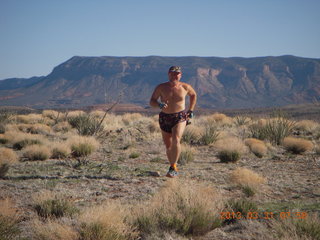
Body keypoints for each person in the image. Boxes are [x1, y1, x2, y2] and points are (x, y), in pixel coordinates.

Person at [149, 66, 197, 177]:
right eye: (172, 73)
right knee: (168, 146)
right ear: (168, 74)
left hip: (179, 116)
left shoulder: (185, 87)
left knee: (176, 139)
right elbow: (152, 101)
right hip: (165, 117)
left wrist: (191, 109)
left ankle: (173, 167)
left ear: (180, 75)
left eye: (177, 74)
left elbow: (193, 95)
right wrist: (159, 104)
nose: (174, 76)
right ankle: (172, 165)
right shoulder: (161, 87)